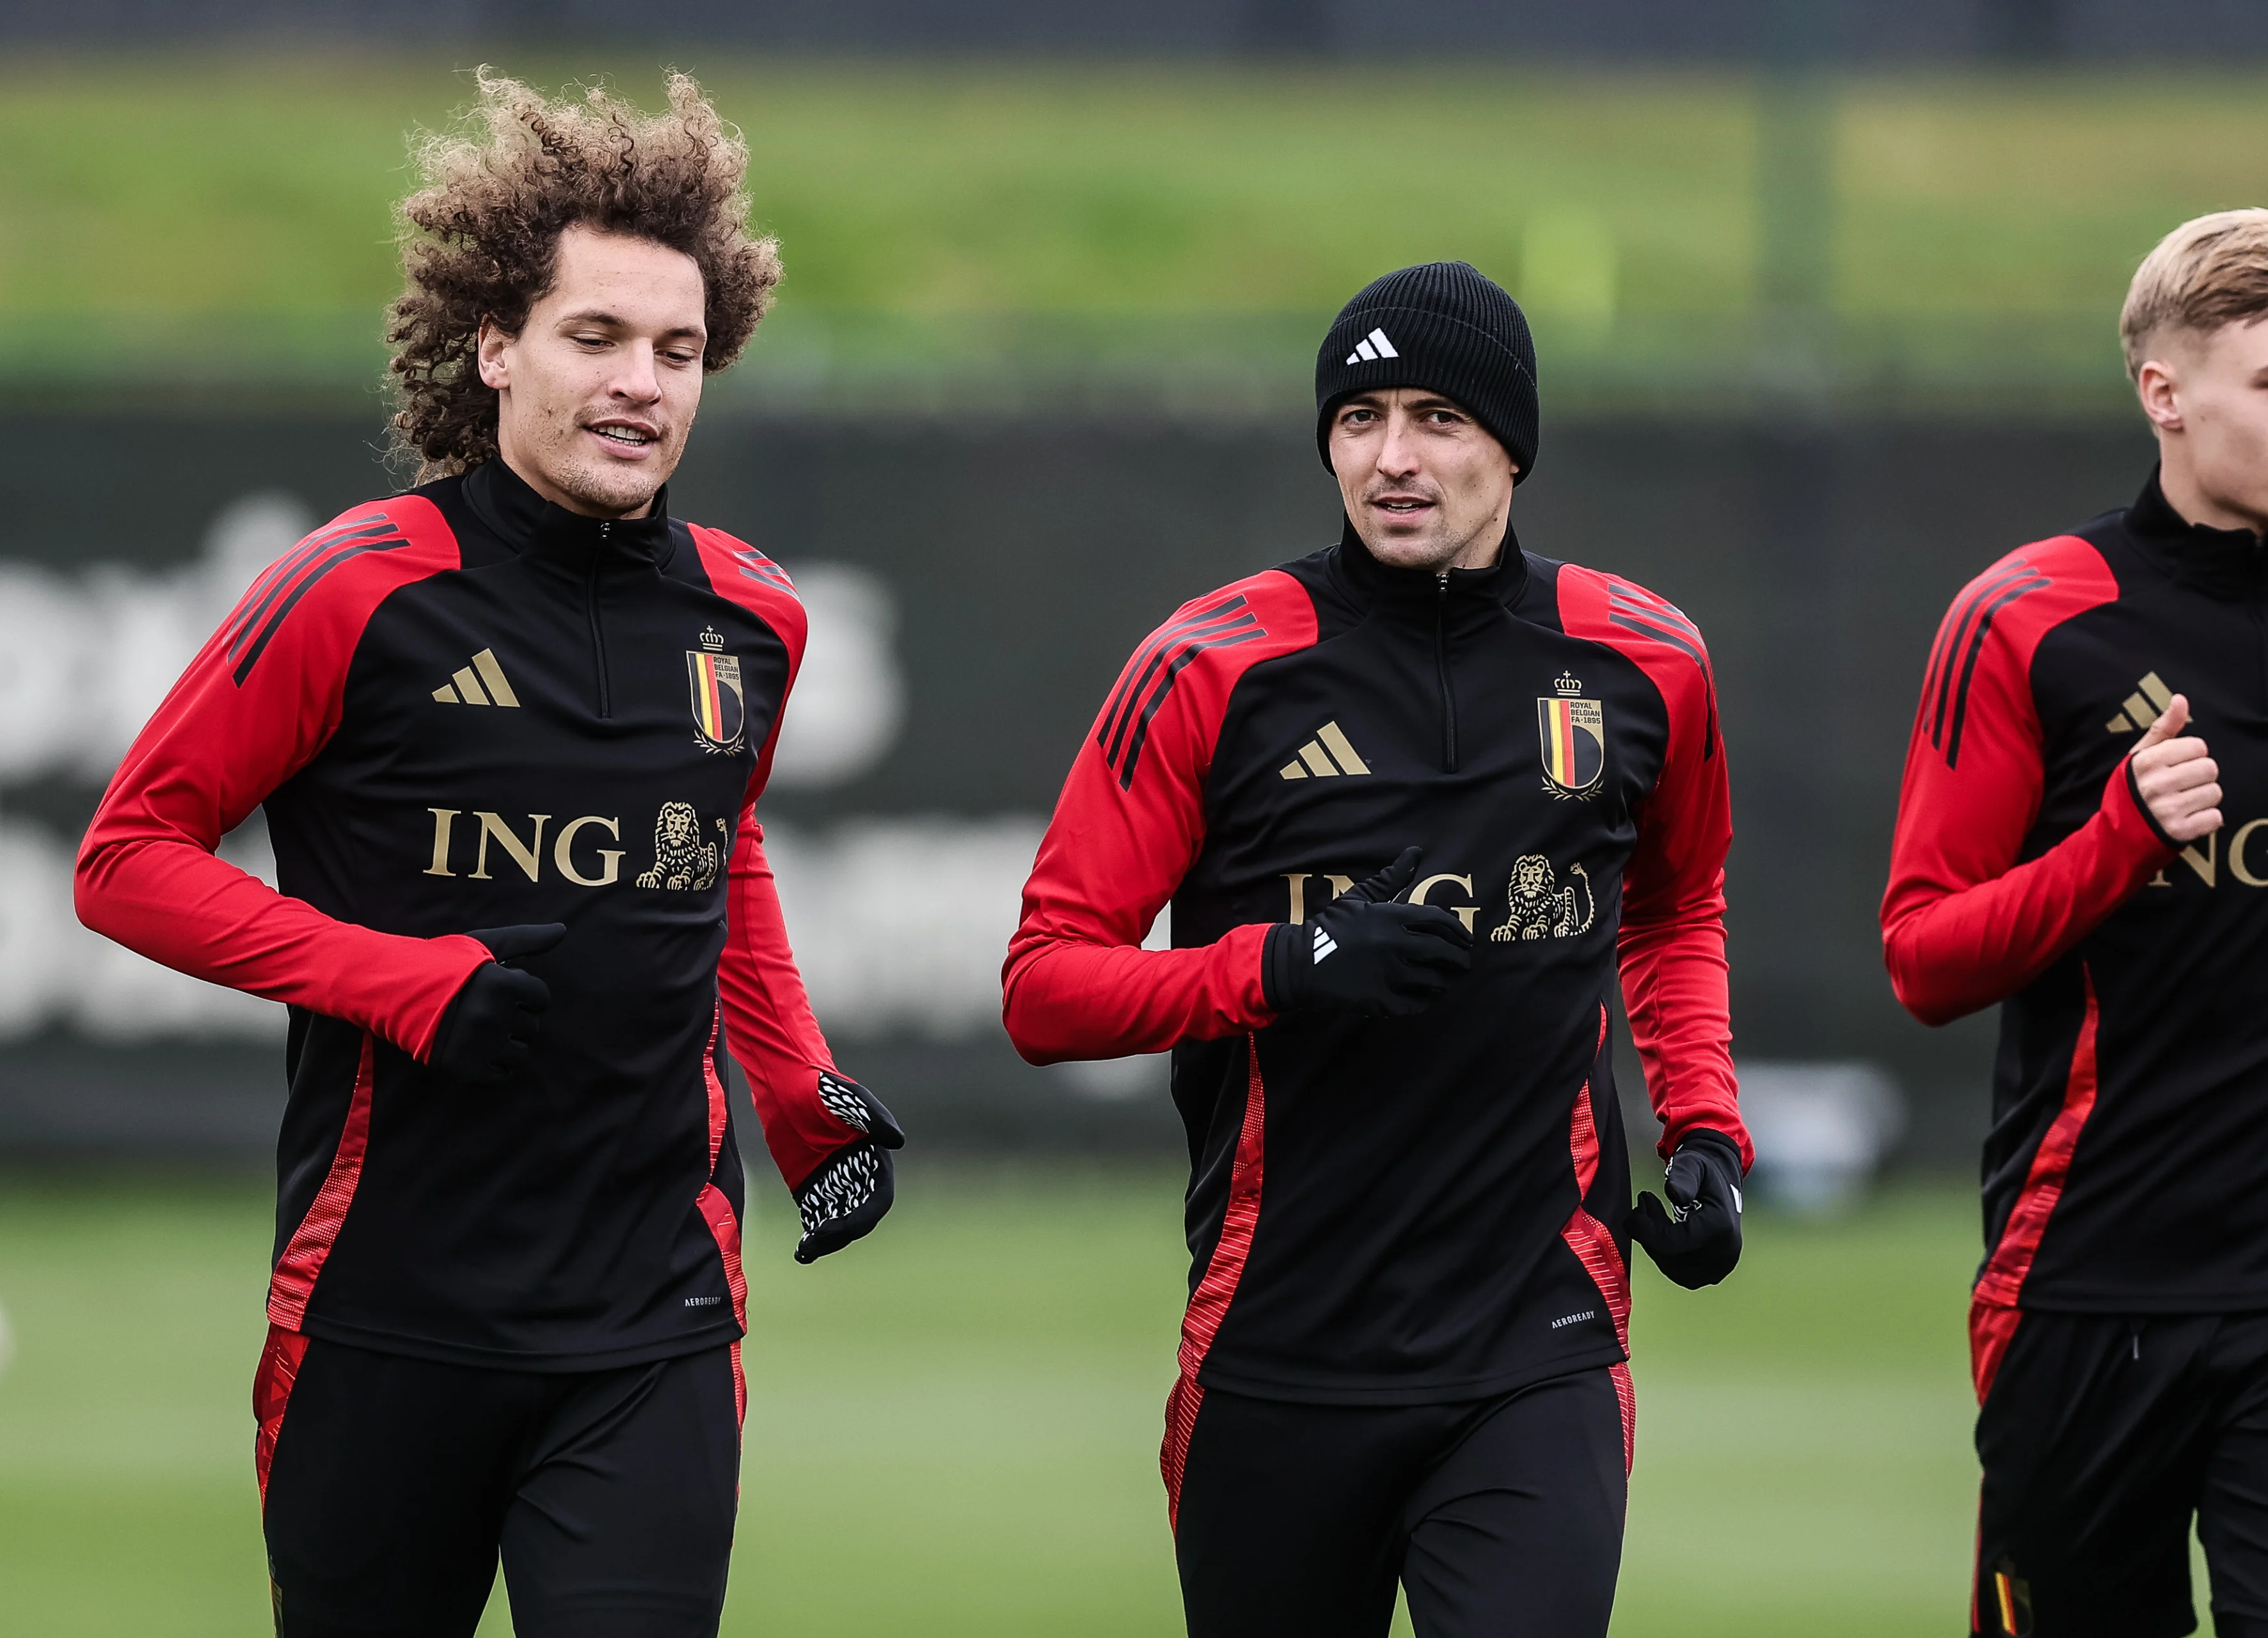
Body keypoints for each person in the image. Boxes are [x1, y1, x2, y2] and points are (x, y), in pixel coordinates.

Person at [74, 73, 900, 1638]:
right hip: (385, 1313)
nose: (642, 382)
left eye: (676, 350)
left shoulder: (755, 617)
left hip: (652, 1311)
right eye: (597, 337)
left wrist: (799, 1092)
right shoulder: (354, 588)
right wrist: (393, 978)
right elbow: (126, 856)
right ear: (496, 345)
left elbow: (714, 860)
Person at [1003, 262, 1752, 1638]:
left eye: (1436, 417)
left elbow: (1673, 907)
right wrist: (1279, 968)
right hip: (1277, 1344)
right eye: (1359, 417)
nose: (1393, 457)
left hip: (1540, 1337)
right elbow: (1047, 985)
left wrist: (1706, 1128)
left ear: (1511, 442)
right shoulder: (1210, 664)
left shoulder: (1649, 659)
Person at [1883, 210, 2268, 1637]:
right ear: (2166, 393)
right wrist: (2117, 844)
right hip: (2084, 1278)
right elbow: (1924, 958)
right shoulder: (2027, 619)